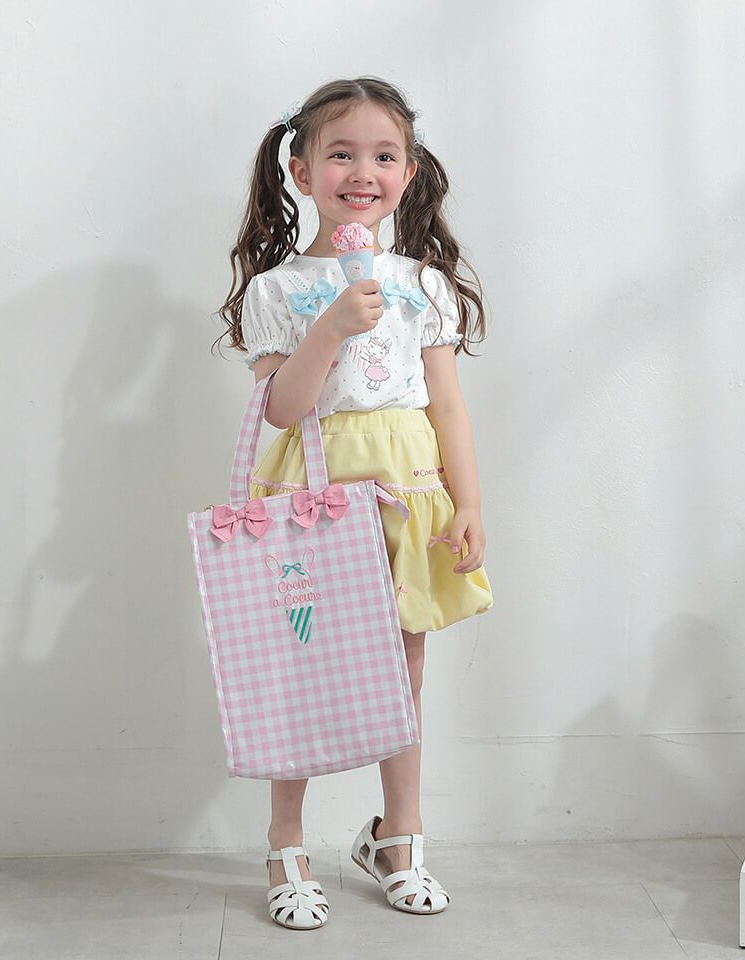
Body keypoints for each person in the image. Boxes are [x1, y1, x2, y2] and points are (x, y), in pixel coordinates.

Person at [214, 76, 494, 930]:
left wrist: (469, 503)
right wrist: (331, 325)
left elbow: (446, 406)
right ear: (302, 172)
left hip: (407, 488)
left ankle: (398, 837)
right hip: (314, 487)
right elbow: (282, 409)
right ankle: (287, 843)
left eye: (383, 155)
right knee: (299, 661)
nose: (362, 172)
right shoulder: (278, 290)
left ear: (409, 172)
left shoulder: (422, 283)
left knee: (403, 670)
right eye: (341, 154)